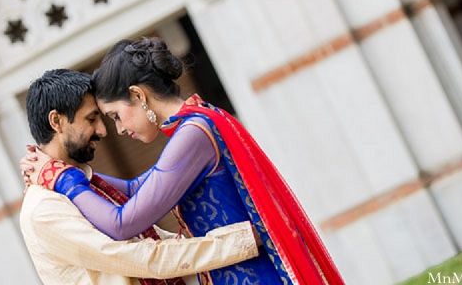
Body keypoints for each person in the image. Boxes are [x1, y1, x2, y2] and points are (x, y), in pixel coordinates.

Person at [23, 39, 345, 284]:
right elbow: (136, 189)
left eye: (114, 116)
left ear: (138, 96)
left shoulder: (192, 136)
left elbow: (123, 224)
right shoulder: (195, 125)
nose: (116, 129)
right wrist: (73, 176)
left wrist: (64, 178)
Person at [19, 68, 262, 285]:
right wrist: (240, 241)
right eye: (92, 119)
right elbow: (143, 258)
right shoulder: (43, 208)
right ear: (56, 121)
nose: (103, 131)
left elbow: (149, 240)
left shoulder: (75, 183)